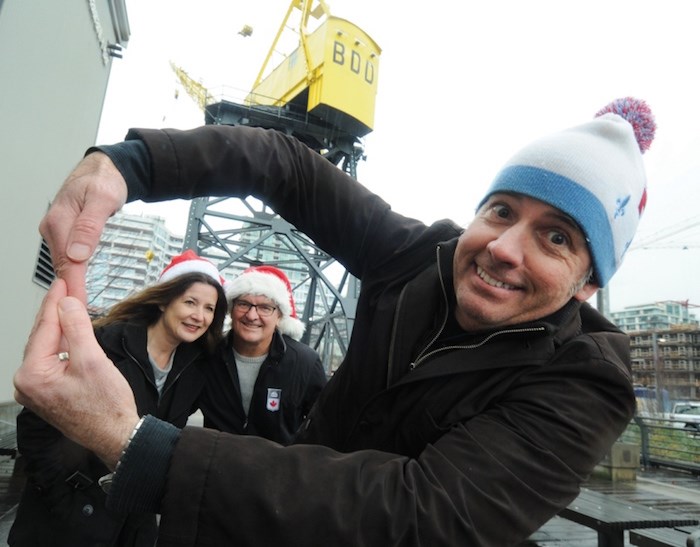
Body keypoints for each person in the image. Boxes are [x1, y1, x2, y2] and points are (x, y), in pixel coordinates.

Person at [15, 97, 656, 546]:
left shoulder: (587, 384)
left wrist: (136, 445)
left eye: (556, 237)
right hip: (258, 516)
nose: (505, 248)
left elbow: (420, 516)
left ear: (589, 282)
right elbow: (289, 166)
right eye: (500, 210)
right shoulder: (417, 257)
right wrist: (131, 164)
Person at [9, 250, 227, 547]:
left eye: (209, 308)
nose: (199, 316)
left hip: (131, 526)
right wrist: (62, 499)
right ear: (164, 300)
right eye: (190, 302)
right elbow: (36, 422)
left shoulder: (195, 371)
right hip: (62, 520)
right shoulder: (104, 344)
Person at [199, 265, 327, 445]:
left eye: (265, 308)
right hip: (214, 468)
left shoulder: (305, 363)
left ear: (280, 316)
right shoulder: (208, 355)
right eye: (243, 304)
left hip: (277, 471)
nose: (252, 315)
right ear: (231, 309)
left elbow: (326, 427)